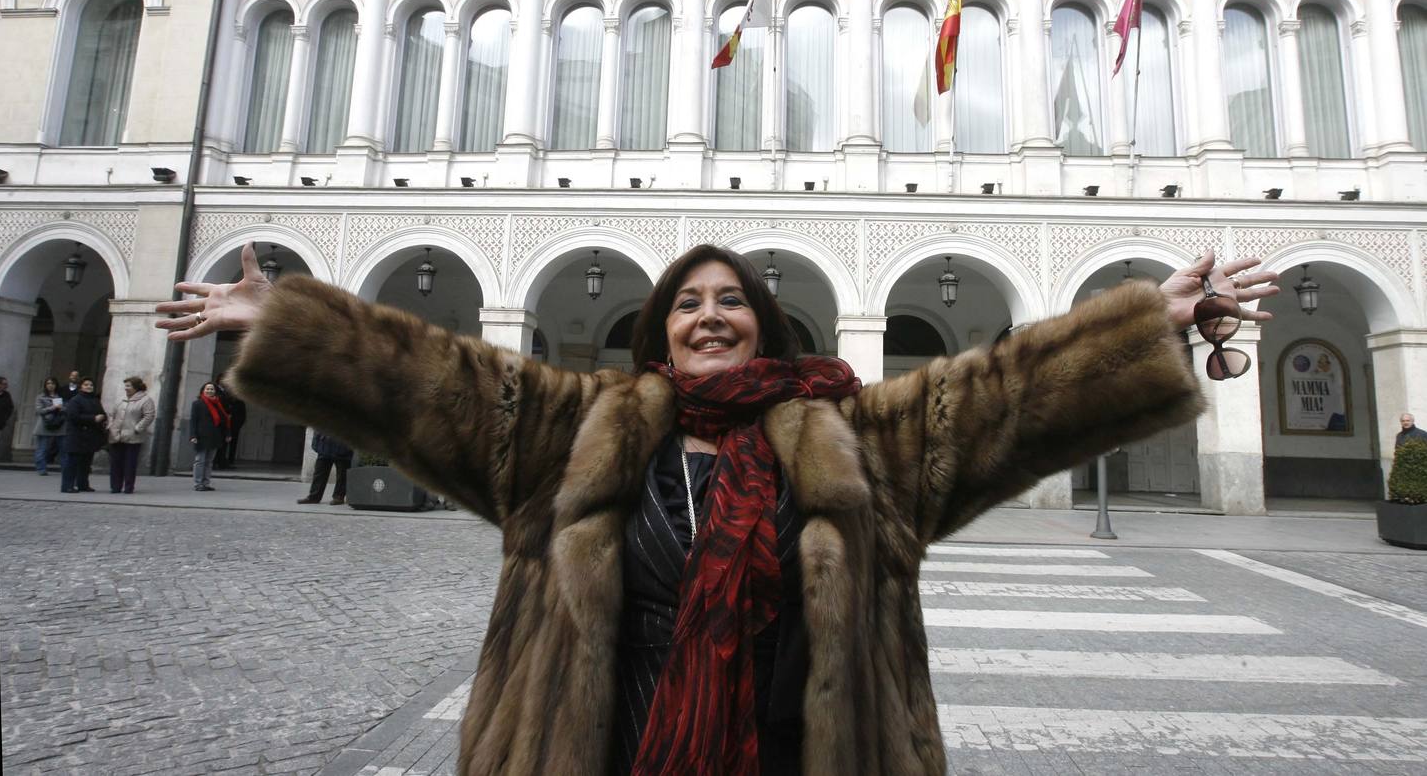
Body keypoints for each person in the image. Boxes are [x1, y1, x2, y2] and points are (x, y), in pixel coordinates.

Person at [156, 242, 1278, 775]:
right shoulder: (574, 429)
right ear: (657, 334)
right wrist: (286, 323)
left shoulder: (854, 440)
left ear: (762, 326)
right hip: (600, 742)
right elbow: (432, 386)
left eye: (729, 302)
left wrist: (1153, 322)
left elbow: (1001, 402)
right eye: (686, 304)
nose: (708, 318)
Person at [107, 376, 156, 493]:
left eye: (128, 386)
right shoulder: (121, 399)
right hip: (116, 435)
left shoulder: (146, 400)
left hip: (133, 436)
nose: (126, 388)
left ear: (136, 387)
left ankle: (128, 487)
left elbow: (149, 416)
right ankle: (115, 487)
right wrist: (110, 426)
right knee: (116, 463)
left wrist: (138, 428)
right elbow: (112, 414)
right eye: (126, 386)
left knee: (130, 464)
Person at [61, 377, 106, 494]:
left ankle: (83, 484)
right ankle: (67, 486)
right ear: (81, 386)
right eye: (86, 385)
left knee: (86, 463)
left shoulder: (95, 400)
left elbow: (102, 413)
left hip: (90, 436)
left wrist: (102, 417)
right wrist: (93, 418)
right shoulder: (75, 400)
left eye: (91, 385)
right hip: (77, 436)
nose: (89, 387)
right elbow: (73, 416)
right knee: (72, 463)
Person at [189, 382, 230, 492]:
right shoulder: (197, 403)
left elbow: (224, 420)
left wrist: (227, 434)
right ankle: (198, 483)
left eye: (211, 389)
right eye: (207, 389)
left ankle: (206, 483)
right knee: (200, 460)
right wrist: (192, 435)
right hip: (201, 436)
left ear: (215, 391)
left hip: (215, 436)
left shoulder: (218, 404)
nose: (209, 391)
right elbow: (193, 421)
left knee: (209, 461)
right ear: (203, 390)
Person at [299, 432, 353, 505]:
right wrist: (316, 442)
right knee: (319, 474)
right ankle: (314, 496)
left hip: (342, 447)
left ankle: (339, 497)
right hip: (324, 446)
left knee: (342, 475)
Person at [34, 377, 66, 476]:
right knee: (42, 448)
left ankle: (65, 468)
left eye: (52, 383)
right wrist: (53, 407)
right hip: (45, 424)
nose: (50, 385)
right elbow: (39, 411)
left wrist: (62, 408)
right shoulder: (41, 397)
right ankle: (41, 468)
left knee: (63, 448)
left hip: (59, 424)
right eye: (48, 383)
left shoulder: (60, 396)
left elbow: (65, 409)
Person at [214, 375, 247, 469]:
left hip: (232, 425)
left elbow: (242, 415)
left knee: (228, 444)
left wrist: (237, 425)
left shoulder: (237, 400)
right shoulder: (217, 392)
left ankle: (226, 461)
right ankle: (218, 461)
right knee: (220, 443)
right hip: (222, 423)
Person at [0, 376, 13, 460]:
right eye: (4, 384)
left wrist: (4, 419)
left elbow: (10, 408)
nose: (6, 386)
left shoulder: (6, 395)